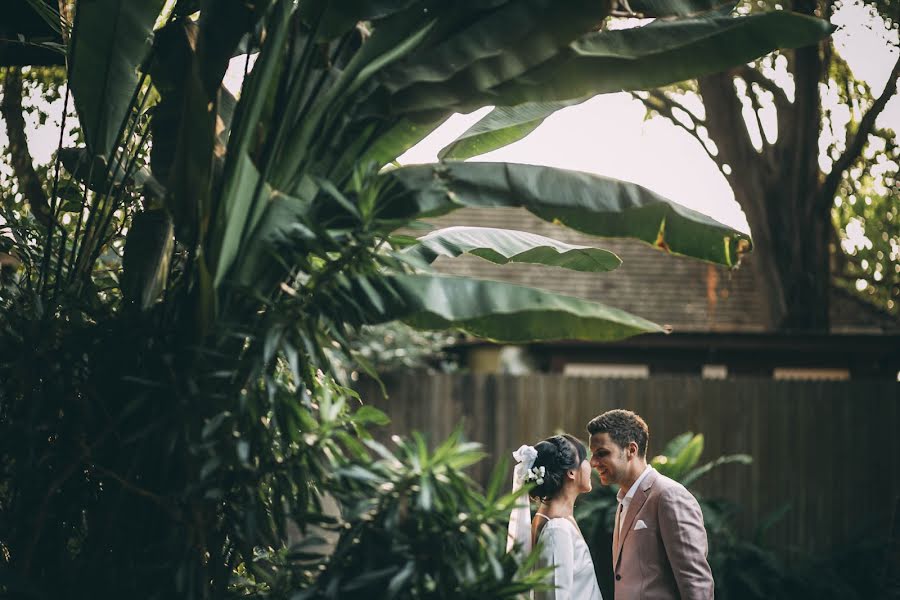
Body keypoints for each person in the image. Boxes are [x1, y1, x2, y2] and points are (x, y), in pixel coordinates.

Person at [587, 409, 714, 599]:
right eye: (593, 454)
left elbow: (695, 582)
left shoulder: (669, 495)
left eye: (602, 453)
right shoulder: (623, 500)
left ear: (631, 450)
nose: (593, 462)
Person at [508, 434, 603, 600]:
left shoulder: (558, 521)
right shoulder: (556, 529)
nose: (592, 465)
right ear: (572, 472)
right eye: (586, 459)